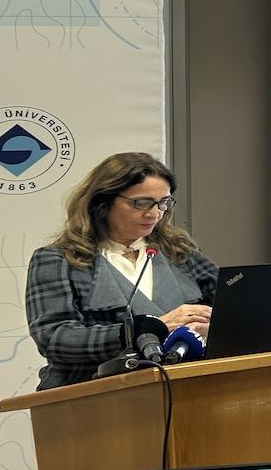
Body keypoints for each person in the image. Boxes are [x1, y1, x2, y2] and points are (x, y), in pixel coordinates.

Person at [24, 152, 216, 390]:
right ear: (102, 202)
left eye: (164, 203)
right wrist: (143, 330)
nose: (155, 213)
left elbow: (230, 312)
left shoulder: (181, 252)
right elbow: (54, 338)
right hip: (91, 394)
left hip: (188, 387)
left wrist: (211, 329)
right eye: (141, 203)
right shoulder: (58, 260)